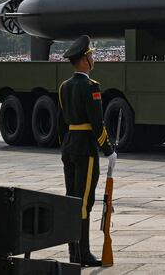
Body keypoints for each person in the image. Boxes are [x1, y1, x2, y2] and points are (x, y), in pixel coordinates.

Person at [57, 35, 117, 267]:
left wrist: (65, 146)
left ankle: (74, 253)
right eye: (90, 55)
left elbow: (62, 123)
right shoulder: (90, 87)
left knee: (72, 198)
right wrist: (108, 150)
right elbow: (97, 123)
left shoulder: (65, 86)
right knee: (84, 202)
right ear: (83, 60)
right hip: (85, 148)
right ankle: (83, 253)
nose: (93, 58)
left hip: (70, 146)